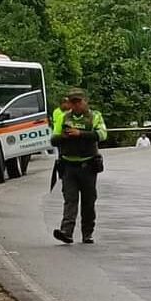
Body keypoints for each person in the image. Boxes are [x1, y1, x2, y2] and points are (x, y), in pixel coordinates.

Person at [50, 88, 107, 244]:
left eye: (78, 102)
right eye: (72, 102)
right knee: (70, 200)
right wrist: (64, 136)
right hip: (68, 166)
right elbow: (53, 139)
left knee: (88, 202)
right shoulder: (64, 117)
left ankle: (87, 233)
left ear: (84, 101)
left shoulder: (95, 116)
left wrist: (80, 134)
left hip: (88, 166)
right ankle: (66, 232)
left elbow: (102, 135)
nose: (75, 105)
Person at [49, 96, 71, 190]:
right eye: (66, 103)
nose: (68, 105)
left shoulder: (68, 111)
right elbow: (57, 124)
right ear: (62, 104)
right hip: (59, 135)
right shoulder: (57, 112)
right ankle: (62, 173)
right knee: (61, 155)